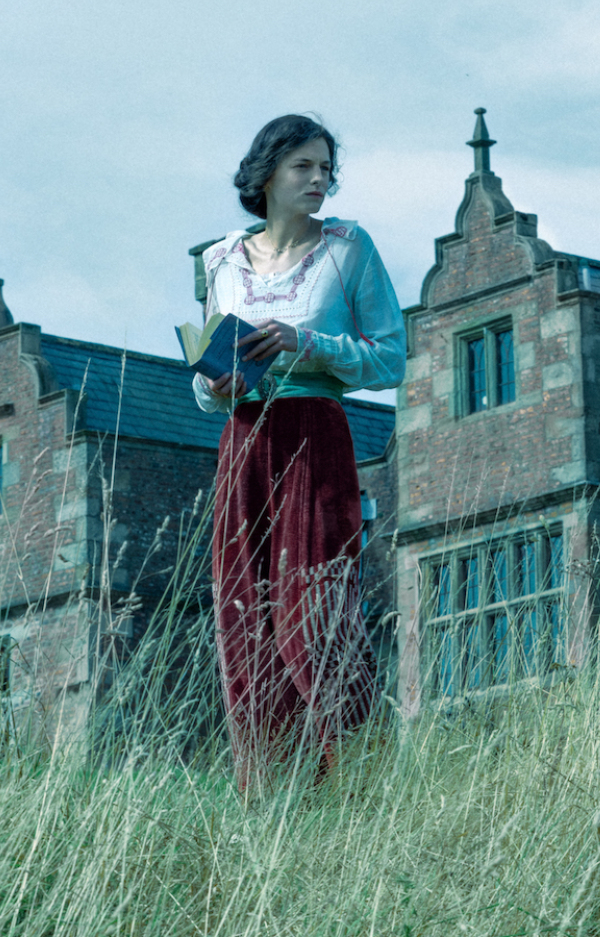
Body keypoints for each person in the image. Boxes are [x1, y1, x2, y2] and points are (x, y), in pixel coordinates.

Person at [192, 113, 406, 792]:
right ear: (267, 176)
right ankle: (273, 793)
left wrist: (306, 343)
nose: (320, 180)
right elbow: (206, 388)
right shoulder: (219, 260)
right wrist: (214, 385)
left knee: (315, 615)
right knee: (244, 618)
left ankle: (363, 777)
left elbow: (393, 357)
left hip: (316, 436)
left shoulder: (349, 250)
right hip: (243, 440)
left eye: (325, 168)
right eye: (303, 168)